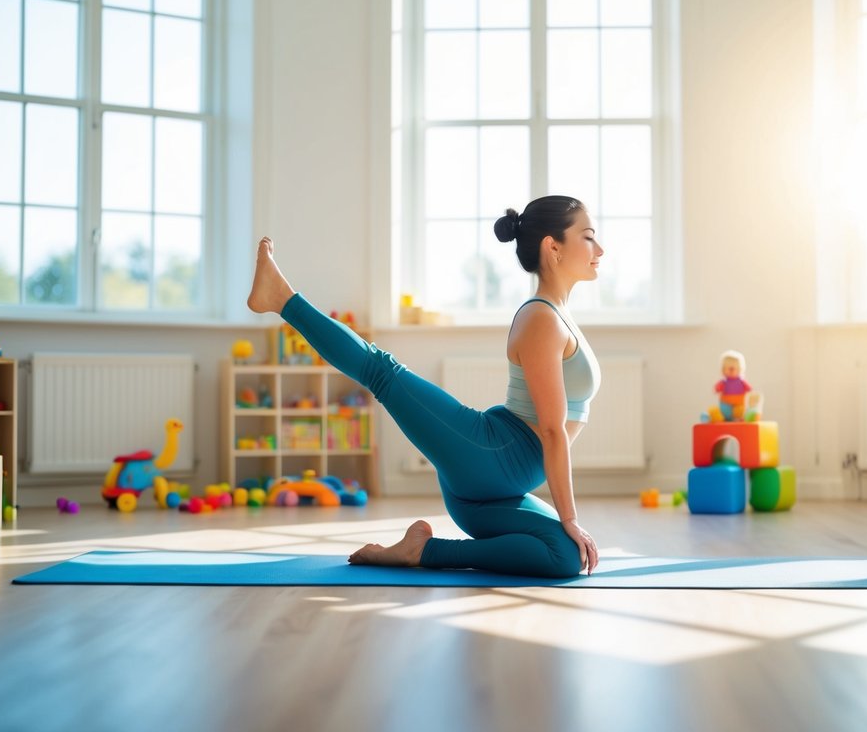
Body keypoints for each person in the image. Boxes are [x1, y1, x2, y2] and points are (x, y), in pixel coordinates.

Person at [246, 195, 604, 577]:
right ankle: (282, 298)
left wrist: (567, 524)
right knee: (381, 371)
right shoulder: (541, 319)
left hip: (496, 491)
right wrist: (569, 516)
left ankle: (421, 549)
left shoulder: (559, 315)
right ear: (553, 247)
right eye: (587, 237)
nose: (599, 249)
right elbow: (551, 430)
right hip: (489, 458)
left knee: (565, 556)